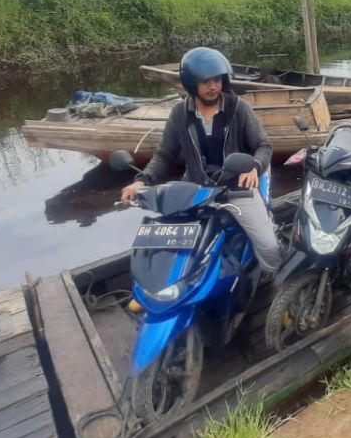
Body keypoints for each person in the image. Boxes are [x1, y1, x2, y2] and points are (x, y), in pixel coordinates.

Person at [120, 47, 283, 272]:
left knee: (269, 246)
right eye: (205, 81)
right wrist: (142, 181)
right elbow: (165, 155)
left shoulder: (238, 108)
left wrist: (254, 167)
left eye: (216, 80)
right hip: (195, 190)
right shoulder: (179, 113)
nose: (213, 86)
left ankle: (276, 282)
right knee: (164, 243)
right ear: (191, 83)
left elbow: (263, 146)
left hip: (235, 187)